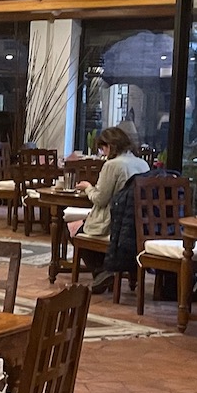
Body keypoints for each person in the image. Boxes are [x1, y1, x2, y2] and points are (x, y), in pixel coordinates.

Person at [77, 125, 149, 292]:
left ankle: (103, 272)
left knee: (74, 230)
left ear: (109, 146)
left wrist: (88, 187)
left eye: (102, 148)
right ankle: (106, 272)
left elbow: (100, 199)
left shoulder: (112, 165)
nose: (102, 152)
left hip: (113, 223)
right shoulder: (142, 163)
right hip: (133, 225)